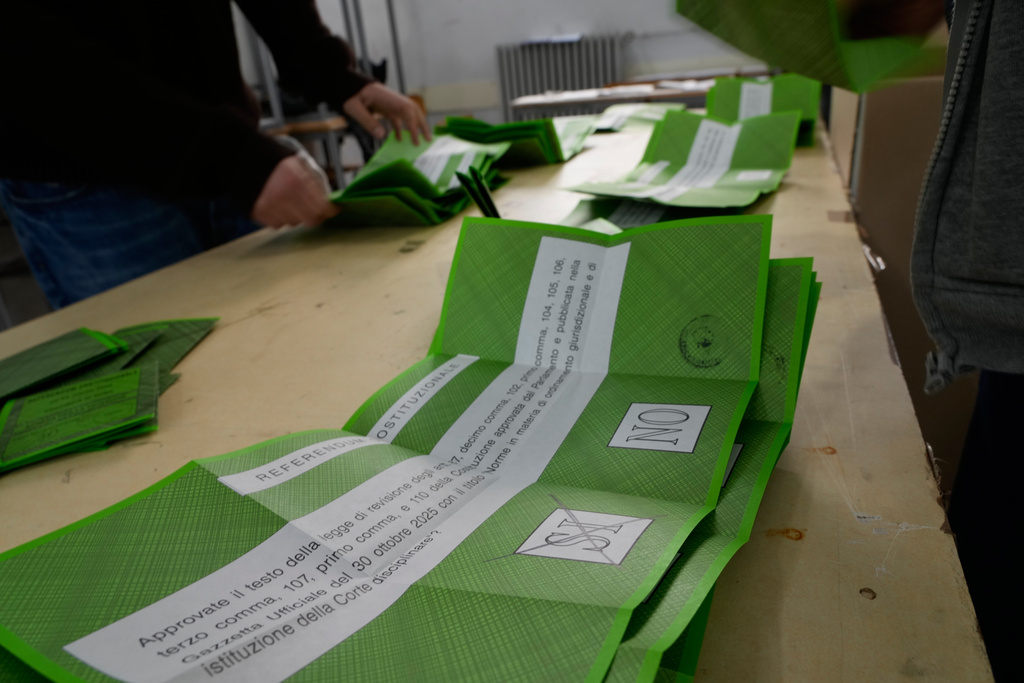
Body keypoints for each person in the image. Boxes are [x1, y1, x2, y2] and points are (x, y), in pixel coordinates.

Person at [0, 1, 429, 309]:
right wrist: (228, 155)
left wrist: (328, 70)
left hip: (225, 146)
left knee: (286, 348)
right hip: (87, 177)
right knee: (171, 397)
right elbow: (25, 46)